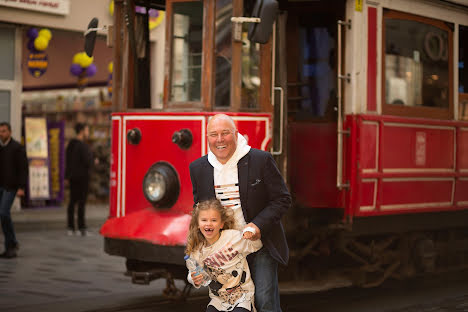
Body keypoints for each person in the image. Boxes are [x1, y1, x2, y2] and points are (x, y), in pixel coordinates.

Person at [189, 114, 291, 312]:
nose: (220, 139)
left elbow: (282, 199)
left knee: (264, 301)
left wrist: (258, 225)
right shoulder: (198, 168)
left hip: (259, 244)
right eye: (214, 134)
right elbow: (199, 208)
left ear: (236, 134)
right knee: (231, 306)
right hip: (225, 253)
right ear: (207, 138)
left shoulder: (261, 160)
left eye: (225, 133)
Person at [186, 199, 262, 312]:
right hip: (218, 300)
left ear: (221, 224)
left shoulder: (233, 237)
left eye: (214, 220)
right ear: (197, 224)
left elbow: (256, 246)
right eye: (204, 220)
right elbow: (193, 272)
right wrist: (194, 278)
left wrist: (253, 236)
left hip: (242, 296)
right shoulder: (198, 251)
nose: (209, 223)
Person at [0, 122, 28, 259]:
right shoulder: (0, 148)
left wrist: (21, 187)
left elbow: (23, 169)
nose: (2, 134)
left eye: (4, 131)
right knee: (3, 216)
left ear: (10, 132)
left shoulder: (17, 148)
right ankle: (10, 246)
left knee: (4, 213)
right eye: (0, 131)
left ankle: (12, 243)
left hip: (11, 187)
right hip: (1, 186)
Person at [65, 123, 93, 236]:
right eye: (87, 130)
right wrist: (93, 161)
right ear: (82, 131)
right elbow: (88, 161)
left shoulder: (70, 145)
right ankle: (82, 228)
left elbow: (68, 162)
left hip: (73, 178)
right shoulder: (83, 146)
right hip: (83, 178)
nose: (88, 132)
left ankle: (70, 227)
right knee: (81, 203)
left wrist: (67, 176)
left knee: (72, 202)